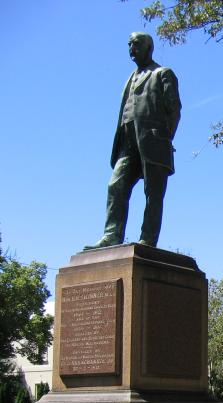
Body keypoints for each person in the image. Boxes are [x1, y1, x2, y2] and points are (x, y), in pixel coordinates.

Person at [85, 32, 181, 249]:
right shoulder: (130, 77)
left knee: (153, 193)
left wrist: (164, 137)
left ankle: (148, 239)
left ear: (149, 48)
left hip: (154, 142)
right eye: (129, 44)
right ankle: (112, 234)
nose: (132, 48)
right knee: (115, 185)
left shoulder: (163, 73)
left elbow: (174, 109)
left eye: (136, 44)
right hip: (128, 143)